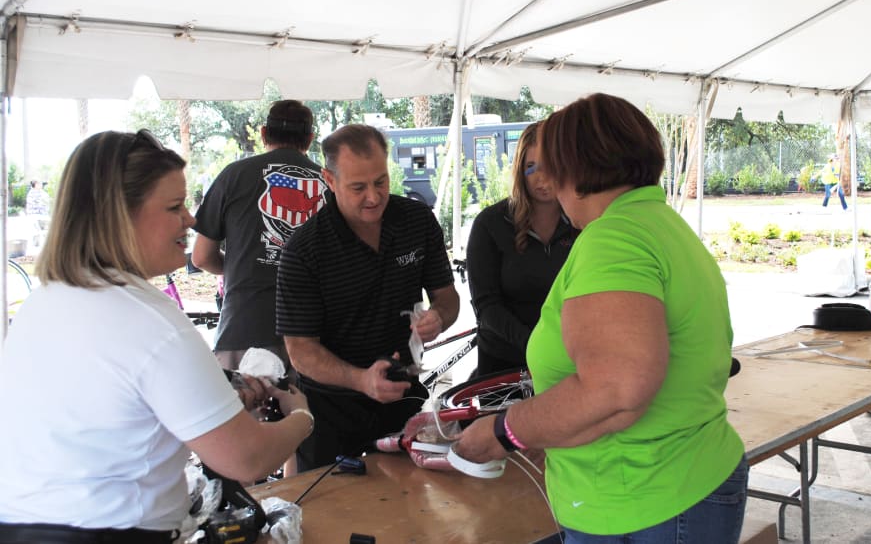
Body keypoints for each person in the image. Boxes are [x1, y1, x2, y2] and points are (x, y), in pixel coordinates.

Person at [453, 94, 747, 543]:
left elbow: (615, 390)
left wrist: (505, 430)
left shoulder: (615, 239)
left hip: (646, 496)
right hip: (664, 486)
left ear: (572, 165)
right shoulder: (656, 222)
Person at [0, 130, 313, 540]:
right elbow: (247, 458)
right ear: (119, 216)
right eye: (174, 206)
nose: (191, 219)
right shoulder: (149, 319)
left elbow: (107, 419)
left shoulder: (45, 303)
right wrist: (302, 416)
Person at [275, 124, 460, 472]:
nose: (373, 197)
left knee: (410, 506)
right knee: (333, 515)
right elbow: (300, 350)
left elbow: (448, 299)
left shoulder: (416, 221)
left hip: (402, 395)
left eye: (381, 182)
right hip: (330, 410)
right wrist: (361, 380)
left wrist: (438, 316)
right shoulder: (304, 251)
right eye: (358, 187)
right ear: (330, 180)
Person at [192, 100, 326, 371]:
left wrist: (238, 267)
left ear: (264, 134)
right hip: (316, 336)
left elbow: (201, 257)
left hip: (243, 328)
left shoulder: (234, 175)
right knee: (307, 414)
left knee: (243, 413)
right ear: (310, 139)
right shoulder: (330, 182)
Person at [466, 122, 579, 375]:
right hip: (502, 364)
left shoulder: (581, 223)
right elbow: (487, 306)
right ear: (520, 170)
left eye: (552, 165)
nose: (542, 177)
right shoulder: (490, 224)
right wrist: (536, 346)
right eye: (531, 167)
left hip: (568, 360)